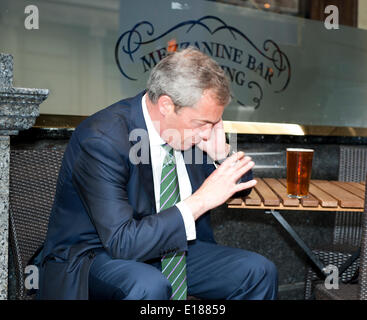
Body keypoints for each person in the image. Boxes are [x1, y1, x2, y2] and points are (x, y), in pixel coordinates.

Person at [36, 47, 278, 300]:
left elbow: (243, 186)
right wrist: (200, 201)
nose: (207, 133)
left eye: (213, 123)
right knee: (148, 286)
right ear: (165, 105)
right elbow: (122, 243)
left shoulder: (193, 133)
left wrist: (221, 152)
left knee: (259, 271)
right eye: (202, 123)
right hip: (97, 256)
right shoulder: (103, 139)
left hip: (170, 249)